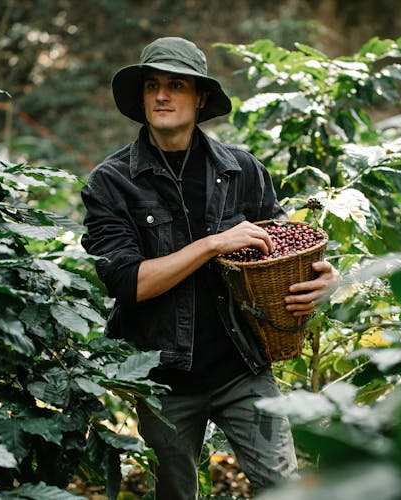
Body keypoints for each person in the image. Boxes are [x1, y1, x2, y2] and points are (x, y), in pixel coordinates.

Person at [80, 37, 339, 499]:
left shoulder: (242, 169)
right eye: (153, 85)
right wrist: (213, 243)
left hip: (243, 364)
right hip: (163, 382)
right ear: (141, 98)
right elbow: (127, 281)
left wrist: (324, 277)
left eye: (176, 85)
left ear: (199, 98)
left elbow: (284, 248)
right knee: (176, 493)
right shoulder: (111, 182)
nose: (162, 96)